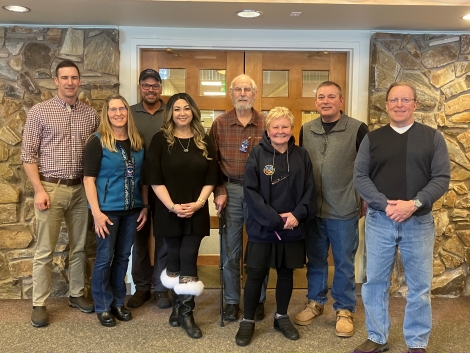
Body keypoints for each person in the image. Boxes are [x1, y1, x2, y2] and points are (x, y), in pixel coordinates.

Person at [353, 81, 450, 353]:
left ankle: (417, 342)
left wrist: (413, 204)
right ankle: (377, 337)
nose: (399, 105)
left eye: (405, 100)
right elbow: (360, 177)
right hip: (379, 221)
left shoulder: (433, 138)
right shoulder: (373, 139)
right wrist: (385, 205)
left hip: (418, 222)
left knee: (419, 286)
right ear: (386, 105)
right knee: (375, 283)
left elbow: (441, 178)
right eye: (394, 100)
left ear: (415, 104)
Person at [21, 60, 100, 327]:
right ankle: (39, 303)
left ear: (80, 80)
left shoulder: (91, 115)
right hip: (50, 189)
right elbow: (27, 155)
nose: (70, 82)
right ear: (56, 80)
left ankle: (76, 294)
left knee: (79, 247)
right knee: (45, 250)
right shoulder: (39, 112)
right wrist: (39, 190)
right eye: (64, 77)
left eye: (74, 77)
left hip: (80, 190)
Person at [235, 107, 315, 347]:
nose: (280, 131)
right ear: (268, 130)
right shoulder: (257, 155)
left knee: (286, 272)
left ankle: (281, 317)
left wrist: (297, 215)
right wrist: (275, 219)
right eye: (275, 127)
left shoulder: (302, 155)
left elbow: (310, 190)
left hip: (293, 227)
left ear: (291, 129)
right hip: (263, 227)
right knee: (256, 274)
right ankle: (248, 320)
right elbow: (251, 192)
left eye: (285, 127)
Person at [295, 81, 369, 337]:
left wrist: (364, 198)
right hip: (313, 209)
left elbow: (366, 167)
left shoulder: (357, 129)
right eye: (321, 97)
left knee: (344, 262)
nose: (325, 101)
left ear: (341, 100)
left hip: (344, 208)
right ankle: (315, 302)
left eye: (331, 97)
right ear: (316, 102)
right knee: (315, 260)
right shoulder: (306, 129)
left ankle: (345, 309)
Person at [145, 93, 218, 339]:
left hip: (196, 210)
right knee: (173, 257)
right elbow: (154, 179)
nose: (182, 113)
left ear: (193, 112)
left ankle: (187, 313)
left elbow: (212, 177)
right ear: (170, 114)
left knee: (188, 255)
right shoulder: (159, 140)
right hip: (168, 210)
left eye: (187, 108)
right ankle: (177, 308)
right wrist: (173, 206)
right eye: (177, 109)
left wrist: (198, 204)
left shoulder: (204, 141)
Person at [83, 95, 148, 327]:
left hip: (132, 211)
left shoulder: (137, 142)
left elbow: (143, 180)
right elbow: (88, 180)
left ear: (127, 113)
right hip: (107, 213)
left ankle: (118, 302)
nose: (118, 113)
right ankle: (102, 306)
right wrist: (96, 213)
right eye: (113, 109)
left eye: (122, 108)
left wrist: (145, 205)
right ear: (106, 113)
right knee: (104, 258)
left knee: (123, 257)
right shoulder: (97, 141)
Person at [209, 74, 268, 322]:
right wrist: (219, 190)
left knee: (259, 249)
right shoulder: (220, 124)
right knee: (230, 251)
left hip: (260, 194)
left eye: (247, 89)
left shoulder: (267, 122)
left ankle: (257, 299)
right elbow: (211, 163)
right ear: (231, 94)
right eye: (238, 89)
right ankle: (232, 300)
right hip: (230, 191)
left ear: (254, 94)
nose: (242, 93)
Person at [127, 68, 171, 309]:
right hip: (136, 185)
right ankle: (142, 287)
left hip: (166, 185)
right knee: (139, 236)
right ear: (140, 87)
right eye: (146, 85)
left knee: (164, 236)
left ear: (161, 88)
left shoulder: (171, 112)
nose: (151, 89)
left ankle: (162, 288)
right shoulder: (130, 114)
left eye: (155, 85)